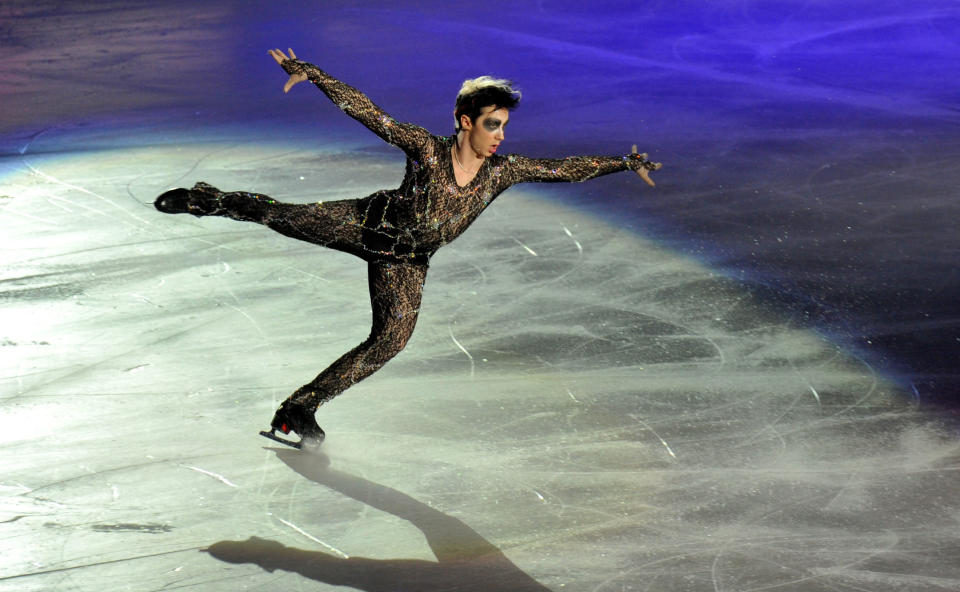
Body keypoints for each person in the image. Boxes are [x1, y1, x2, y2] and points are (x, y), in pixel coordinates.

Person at [155, 48, 661, 448]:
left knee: (391, 340)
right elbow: (374, 116)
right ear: (465, 121)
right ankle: (210, 199)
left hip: (408, 263)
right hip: (365, 224)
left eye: (504, 125)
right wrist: (313, 73)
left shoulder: (502, 172)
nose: (501, 135)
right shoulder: (427, 149)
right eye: (492, 124)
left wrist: (623, 161)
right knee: (281, 215)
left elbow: (561, 168)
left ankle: (299, 408)